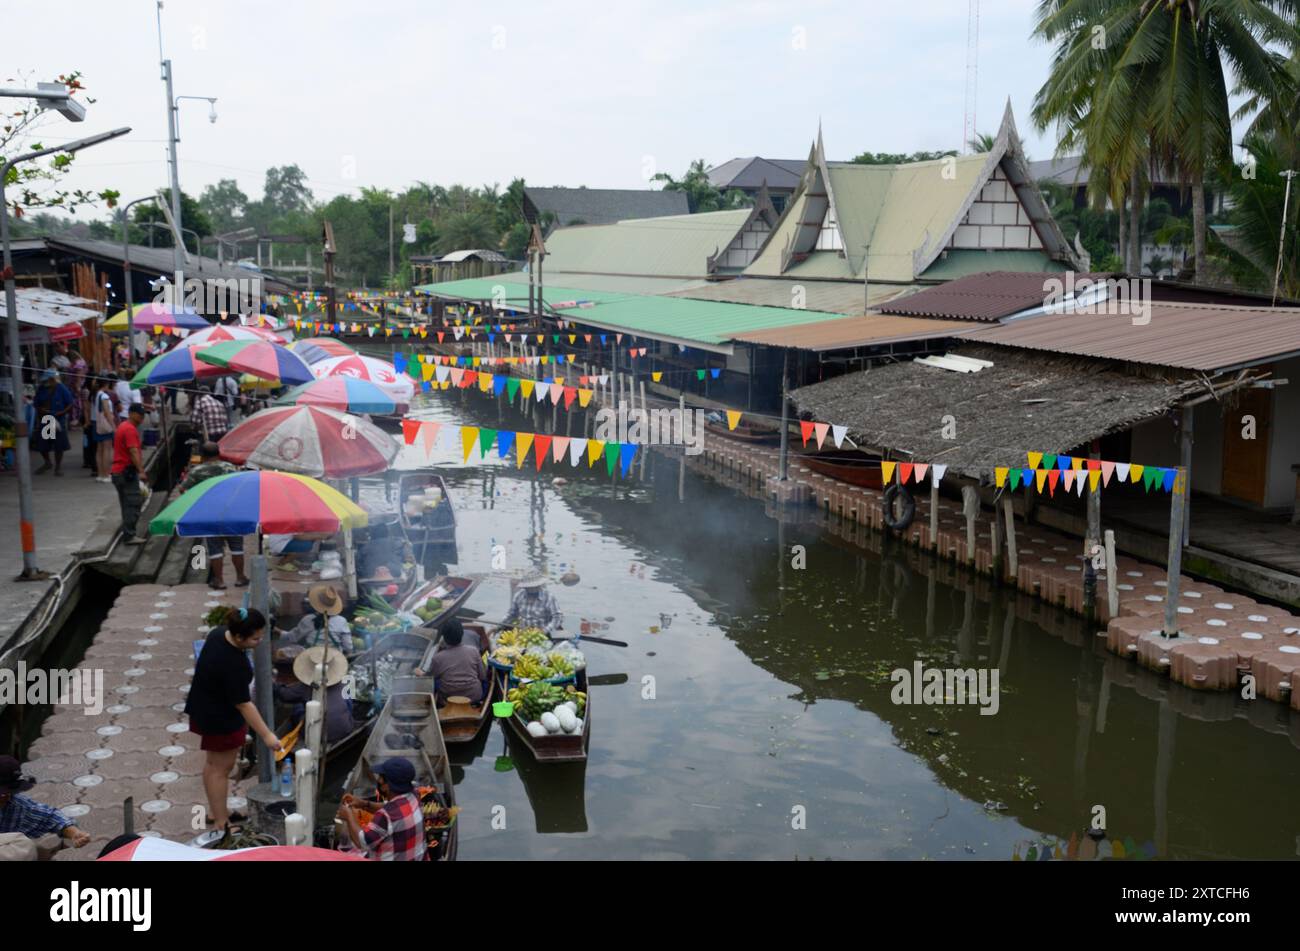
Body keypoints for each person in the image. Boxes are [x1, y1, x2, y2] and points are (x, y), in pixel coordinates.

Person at [184, 608, 282, 832]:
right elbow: (244, 704)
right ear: (239, 637)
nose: (260, 641)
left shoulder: (218, 633)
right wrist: (267, 735)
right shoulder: (233, 664)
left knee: (212, 765)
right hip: (220, 718)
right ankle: (222, 823)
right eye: (256, 638)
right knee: (221, 769)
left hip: (204, 706)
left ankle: (216, 811)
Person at [177, 442, 245, 588]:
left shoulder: (196, 471)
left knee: (215, 548)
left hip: (209, 513)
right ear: (218, 453)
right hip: (231, 511)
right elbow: (240, 486)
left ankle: (219, 580)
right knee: (237, 547)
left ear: (202, 455)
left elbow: (182, 490)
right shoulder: (229, 467)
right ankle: (240, 578)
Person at [0, 755, 91, 861]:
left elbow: (50, 817)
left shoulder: (17, 806)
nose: (3, 796)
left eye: (7, 792)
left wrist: (74, 833)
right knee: (23, 846)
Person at [336, 758, 425, 861]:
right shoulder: (415, 795)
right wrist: (364, 804)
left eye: (381, 777)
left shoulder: (385, 815)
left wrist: (348, 816)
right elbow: (392, 807)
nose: (378, 780)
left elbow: (363, 843)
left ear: (387, 786)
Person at [273, 645, 356, 744]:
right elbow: (351, 700)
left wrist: (275, 684)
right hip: (346, 729)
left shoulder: (307, 685)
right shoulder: (345, 679)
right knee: (347, 701)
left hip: (318, 736)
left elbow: (284, 695)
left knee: (297, 706)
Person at [419, 618, 487, 705]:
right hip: (474, 696)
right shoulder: (474, 651)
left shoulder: (438, 658)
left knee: (436, 681)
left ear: (444, 637)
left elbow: (430, 677)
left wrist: (420, 672)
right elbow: (482, 676)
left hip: (448, 697)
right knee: (485, 681)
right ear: (462, 634)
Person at [111, 402, 148, 545]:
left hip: (119, 472)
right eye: (140, 414)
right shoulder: (130, 429)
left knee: (126, 504)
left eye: (143, 415)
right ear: (132, 413)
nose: (142, 418)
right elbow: (133, 451)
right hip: (125, 472)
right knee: (133, 503)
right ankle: (129, 535)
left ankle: (128, 532)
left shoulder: (123, 426)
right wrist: (142, 471)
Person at [31, 369, 75, 476]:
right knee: (43, 444)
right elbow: (36, 403)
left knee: (58, 445)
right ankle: (47, 462)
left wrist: (61, 413)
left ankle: (58, 467)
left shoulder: (61, 388)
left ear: (52, 379)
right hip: (45, 419)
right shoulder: (41, 389)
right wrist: (40, 410)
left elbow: (70, 403)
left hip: (57, 420)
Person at [91, 376, 116, 483]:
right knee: (107, 449)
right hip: (105, 425)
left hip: (97, 424)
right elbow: (107, 412)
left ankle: (101, 474)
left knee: (99, 449)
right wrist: (113, 426)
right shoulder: (104, 396)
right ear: (106, 384)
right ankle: (107, 474)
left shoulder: (96, 394)